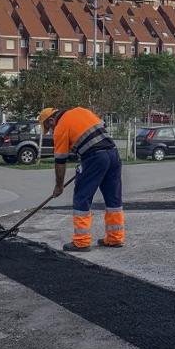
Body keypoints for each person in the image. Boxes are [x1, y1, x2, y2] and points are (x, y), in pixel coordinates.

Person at [39, 105, 124, 253]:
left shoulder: (60, 128)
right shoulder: (81, 111)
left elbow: (60, 161)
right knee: (113, 198)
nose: (51, 131)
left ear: (52, 120)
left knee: (81, 197)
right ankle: (115, 237)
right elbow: (99, 129)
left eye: (49, 127)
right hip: (113, 154)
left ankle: (82, 241)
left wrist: (59, 186)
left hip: (95, 157)